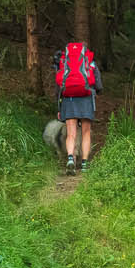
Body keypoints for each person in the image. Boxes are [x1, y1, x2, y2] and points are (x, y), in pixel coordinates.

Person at [52, 42, 98, 174]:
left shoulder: (64, 61)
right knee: (86, 133)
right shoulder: (89, 61)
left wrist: (59, 106)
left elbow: (59, 86)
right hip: (85, 99)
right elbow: (98, 84)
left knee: (71, 134)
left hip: (69, 99)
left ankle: (71, 158)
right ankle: (84, 164)